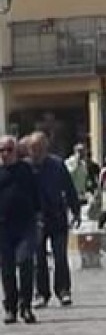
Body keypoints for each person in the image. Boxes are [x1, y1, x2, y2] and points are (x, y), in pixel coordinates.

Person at [28, 131, 81, 308]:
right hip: (35, 218)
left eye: (39, 148)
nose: (35, 152)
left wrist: (76, 211)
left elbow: (69, 189)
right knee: (38, 259)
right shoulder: (26, 167)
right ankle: (41, 294)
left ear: (45, 147)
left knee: (60, 256)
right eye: (33, 149)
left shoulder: (57, 165)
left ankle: (63, 291)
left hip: (57, 216)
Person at [0, 136, 41, 324]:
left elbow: (36, 194)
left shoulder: (26, 170)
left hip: (25, 225)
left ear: (16, 151)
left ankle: (26, 306)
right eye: (1, 150)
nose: (5, 154)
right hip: (3, 227)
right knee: (7, 269)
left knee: (25, 264)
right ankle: (10, 307)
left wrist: (40, 218)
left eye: (8, 149)